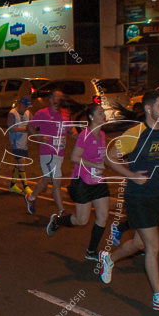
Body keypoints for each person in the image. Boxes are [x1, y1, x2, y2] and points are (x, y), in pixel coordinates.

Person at [99, 90, 159, 311]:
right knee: (153, 247)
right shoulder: (134, 134)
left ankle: (108, 260)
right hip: (137, 197)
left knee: (138, 243)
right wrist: (131, 175)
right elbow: (109, 157)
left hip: (157, 196)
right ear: (149, 108)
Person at [46, 104, 112, 261]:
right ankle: (57, 220)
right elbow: (74, 157)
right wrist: (94, 165)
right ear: (91, 117)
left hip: (99, 181)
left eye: (104, 112)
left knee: (103, 216)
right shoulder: (85, 135)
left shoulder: (102, 134)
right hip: (82, 182)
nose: (104, 115)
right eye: (100, 113)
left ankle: (91, 252)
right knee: (82, 220)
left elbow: (100, 156)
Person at [25, 90, 70, 216]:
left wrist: (82, 138)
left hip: (60, 153)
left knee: (47, 179)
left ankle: (31, 198)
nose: (59, 99)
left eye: (61, 96)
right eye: (56, 96)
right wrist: (39, 137)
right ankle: (62, 211)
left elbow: (71, 130)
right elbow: (30, 126)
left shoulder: (65, 114)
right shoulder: (43, 113)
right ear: (50, 99)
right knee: (56, 181)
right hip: (48, 152)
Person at [6, 97, 32, 194]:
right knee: (22, 163)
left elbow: (33, 124)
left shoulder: (28, 113)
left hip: (23, 142)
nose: (27, 108)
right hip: (15, 143)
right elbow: (11, 128)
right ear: (20, 104)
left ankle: (12, 185)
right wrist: (25, 129)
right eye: (26, 106)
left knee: (18, 164)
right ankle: (25, 187)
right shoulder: (13, 114)